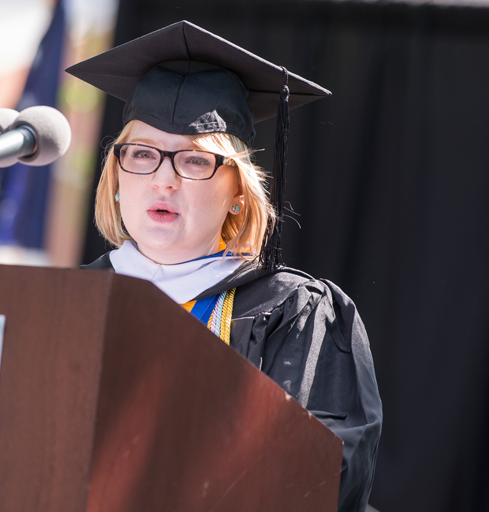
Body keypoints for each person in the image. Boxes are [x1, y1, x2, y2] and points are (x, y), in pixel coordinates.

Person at [66, 21, 382, 512]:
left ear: (238, 193)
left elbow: (317, 476)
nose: (163, 180)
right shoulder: (65, 303)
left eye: (194, 161)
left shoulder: (294, 313)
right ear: (116, 179)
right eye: (143, 155)